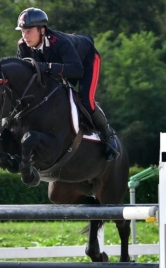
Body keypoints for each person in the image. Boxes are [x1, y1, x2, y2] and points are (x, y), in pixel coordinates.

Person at [15, 7, 120, 161]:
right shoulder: (23, 46)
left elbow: (77, 70)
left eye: (29, 31)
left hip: (86, 62)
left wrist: (48, 67)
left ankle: (108, 134)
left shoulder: (60, 43)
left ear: (42, 30)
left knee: (86, 102)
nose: (25, 36)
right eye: (23, 31)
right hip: (63, 66)